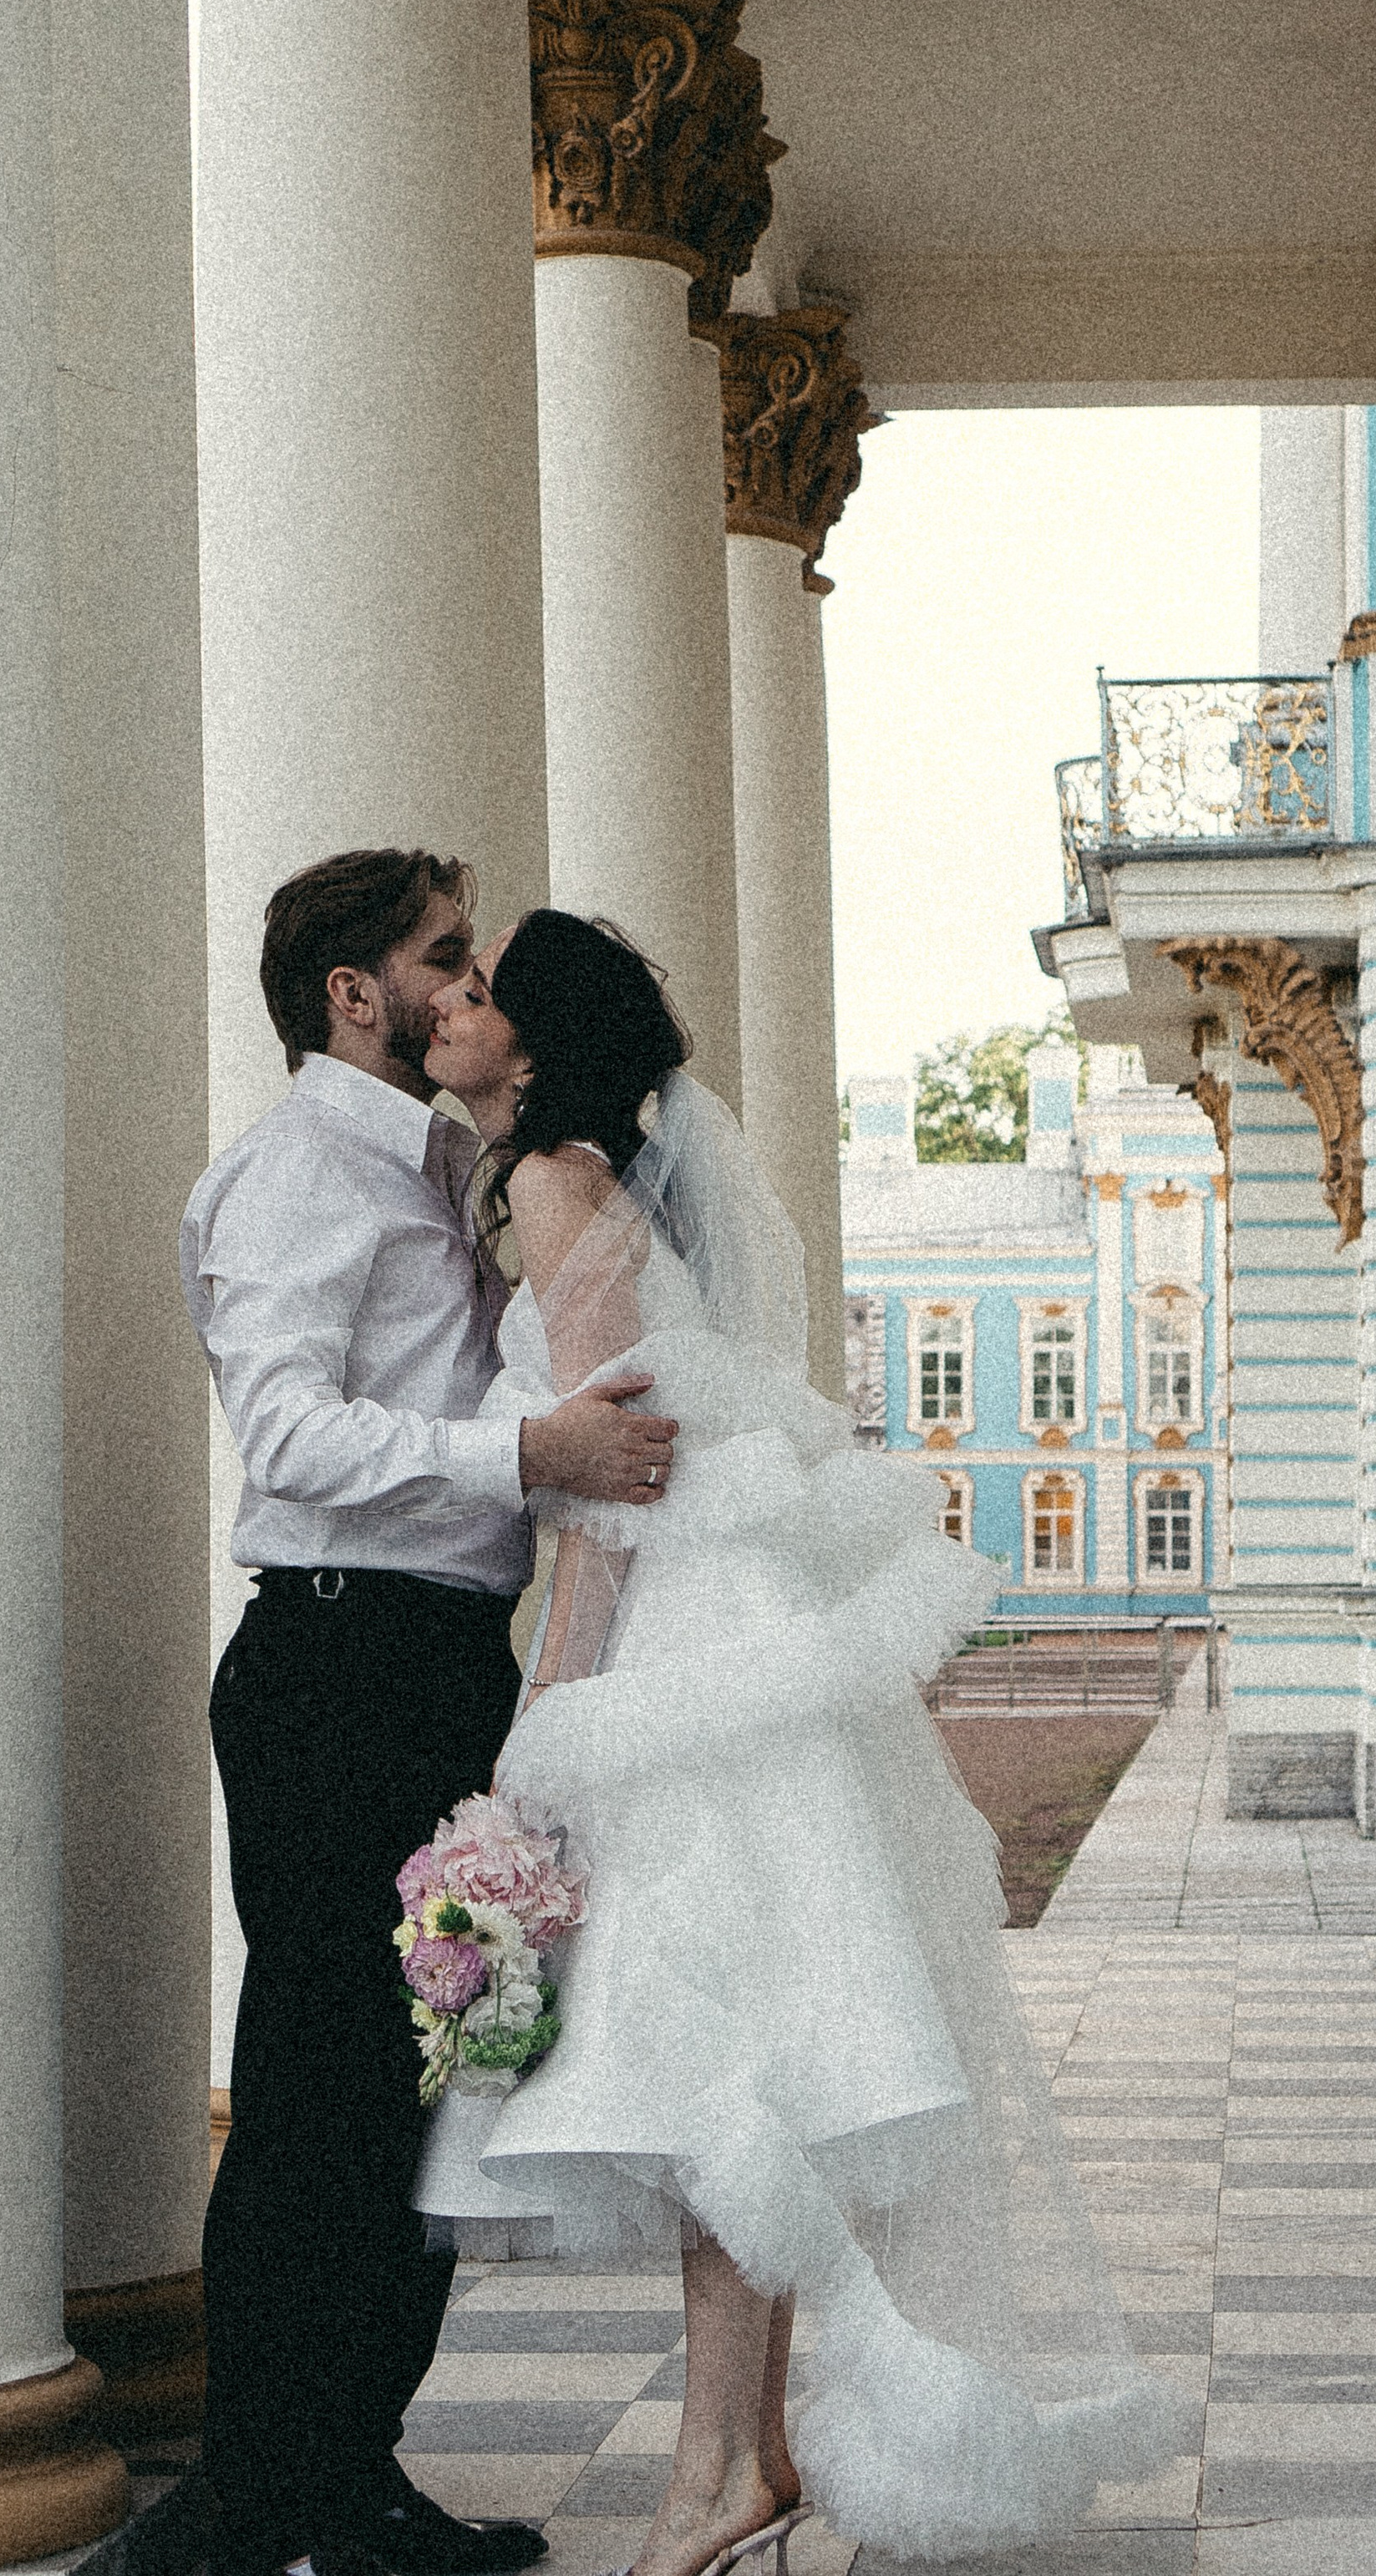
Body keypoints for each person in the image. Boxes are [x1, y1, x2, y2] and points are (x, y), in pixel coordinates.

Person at [413, 910, 1176, 2572]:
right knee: (736, 2052)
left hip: (689, 1649)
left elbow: (608, 1493)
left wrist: (545, 1722)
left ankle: (713, 2476)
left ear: (533, 1046)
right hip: (734, 1632)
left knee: (712, 2063)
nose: (445, 1014)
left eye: (475, 998)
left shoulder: (552, 1187)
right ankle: (739, 2458)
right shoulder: (591, 1185)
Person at [182, 851, 680, 2576]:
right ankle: (258, 2505)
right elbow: (293, 1439)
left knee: (419, 2090)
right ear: (350, 995)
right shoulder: (293, 1179)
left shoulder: (449, 1170)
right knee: (319, 2092)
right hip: (332, 1670)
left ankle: (350, 2479)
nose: (470, 986)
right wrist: (524, 1452)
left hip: (435, 1665)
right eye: (442, 958)